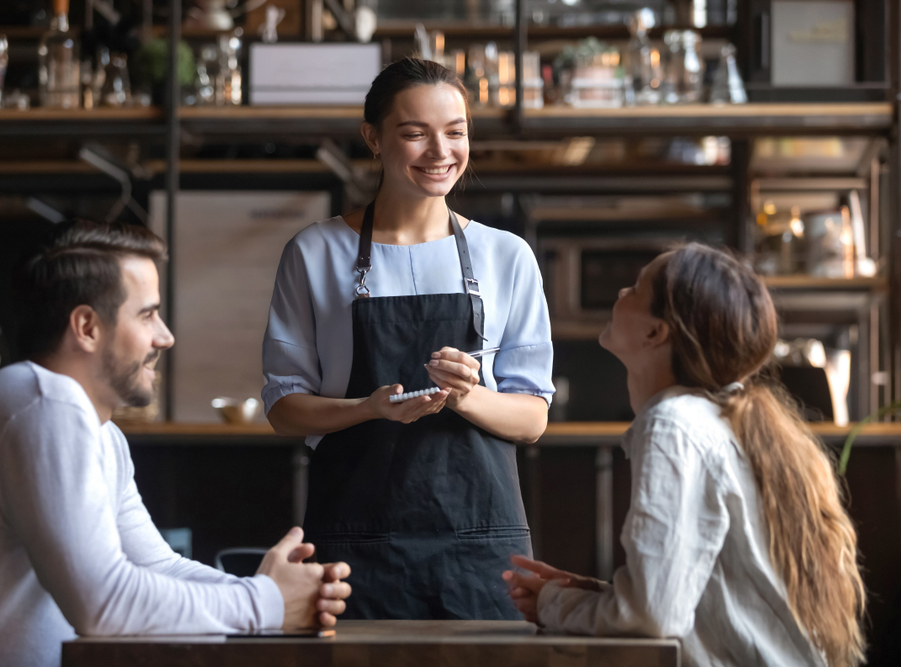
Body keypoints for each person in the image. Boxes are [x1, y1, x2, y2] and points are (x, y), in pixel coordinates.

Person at [0, 221, 351, 667]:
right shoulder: (42, 402)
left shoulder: (98, 431)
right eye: (147, 314)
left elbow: (158, 565)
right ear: (87, 327)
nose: (165, 336)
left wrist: (279, 593)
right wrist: (266, 603)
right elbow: (104, 603)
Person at [262, 57, 555, 620]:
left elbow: (533, 416)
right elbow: (284, 408)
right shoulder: (315, 252)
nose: (440, 152)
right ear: (373, 137)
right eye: (415, 133)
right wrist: (367, 409)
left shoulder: (507, 256)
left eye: (456, 133)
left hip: (480, 544)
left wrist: (470, 396)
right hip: (355, 542)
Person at [503, 243, 866, 667]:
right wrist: (594, 593)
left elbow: (652, 618)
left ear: (656, 333)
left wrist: (553, 605)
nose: (621, 292)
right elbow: (696, 601)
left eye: (636, 289)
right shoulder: (710, 418)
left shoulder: (672, 425)